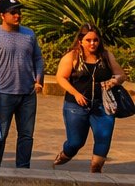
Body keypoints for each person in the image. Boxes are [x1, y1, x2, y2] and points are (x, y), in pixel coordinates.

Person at [54, 23, 128, 173]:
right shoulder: (72, 57)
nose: (92, 43)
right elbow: (60, 77)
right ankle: (65, 153)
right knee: (75, 142)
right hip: (76, 106)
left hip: (102, 105)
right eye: (88, 40)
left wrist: (115, 80)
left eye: (95, 40)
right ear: (80, 41)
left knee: (104, 137)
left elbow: (121, 75)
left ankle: (96, 170)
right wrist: (75, 93)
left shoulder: (106, 56)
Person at [0, 0, 43, 168]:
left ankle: (23, 169)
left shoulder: (29, 34)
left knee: (26, 135)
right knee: (0, 133)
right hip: (4, 93)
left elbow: (38, 58)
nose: (17, 16)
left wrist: (39, 78)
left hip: (28, 94)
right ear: (2, 15)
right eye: (13, 12)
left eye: (19, 12)